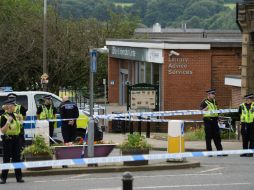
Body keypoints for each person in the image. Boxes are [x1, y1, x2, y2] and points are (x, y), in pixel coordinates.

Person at [0, 99, 24, 184]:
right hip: (7, 139)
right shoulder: (3, 116)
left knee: (17, 158)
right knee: (6, 159)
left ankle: (19, 177)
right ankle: (3, 178)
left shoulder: (15, 115)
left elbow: (20, 126)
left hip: (16, 139)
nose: (15, 106)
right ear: (9, 106)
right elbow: (2, 131)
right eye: (14, 105)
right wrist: (8, 122)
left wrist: (21, 120)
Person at [200, 89, 225, 154]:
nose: (214, 95)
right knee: (208, 136)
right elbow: (201, 111)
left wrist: (219, 118)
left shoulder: (215, 101)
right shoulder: (204, 102)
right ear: (208, 94)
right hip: (208, 120)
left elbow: (216, 110)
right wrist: (205, 109)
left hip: (215, 120)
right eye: (212, 94)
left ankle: (220, 151)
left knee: (217, 136)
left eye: (214, 94)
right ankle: (209, 152)